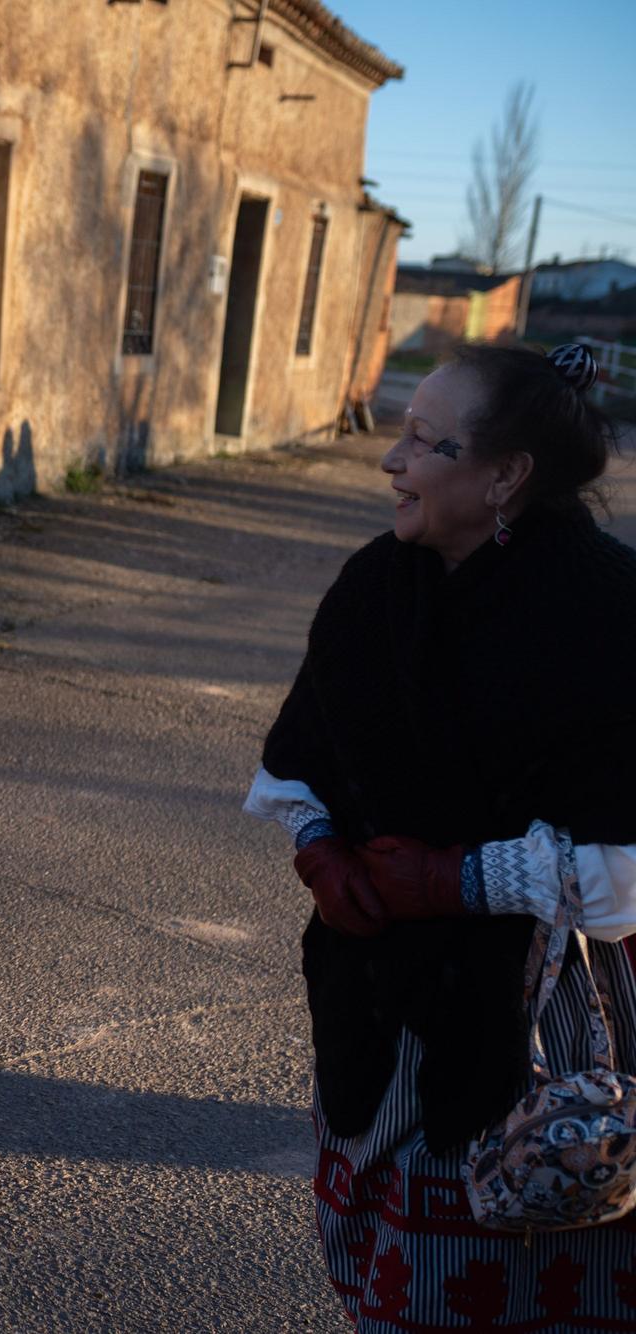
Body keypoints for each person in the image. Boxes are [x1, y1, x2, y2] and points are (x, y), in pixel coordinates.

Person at [245, 343, 636, 1325]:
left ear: (505, 475)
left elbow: (621, 871)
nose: (391, 459)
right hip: (374, 998)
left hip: (536, 1023)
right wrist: (316, 844)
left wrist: (451, 879)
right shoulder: (374, 585)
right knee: (376, 1265)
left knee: (504, 1277)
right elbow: (296, 760)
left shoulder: (608, 613)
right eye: (400, 431)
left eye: (422, 440)